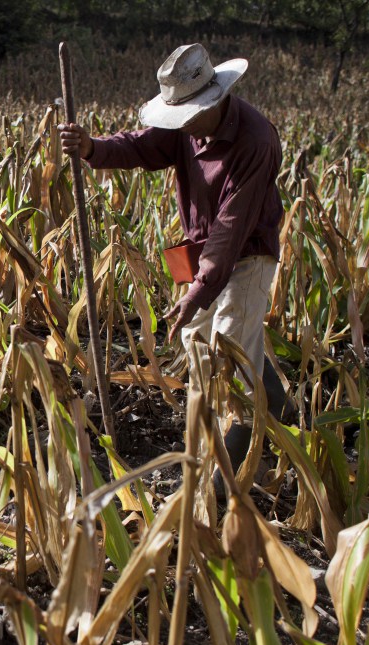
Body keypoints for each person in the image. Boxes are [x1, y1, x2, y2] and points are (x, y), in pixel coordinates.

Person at [58, 43, 291, 494]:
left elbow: (231, 229)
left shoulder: (255, 141)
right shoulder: (188, 126)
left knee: (230, 346)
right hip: (202, 251)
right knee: (198, 340)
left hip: (247, 253)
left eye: (187, 115)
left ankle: (232, 464)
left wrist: (198, 290)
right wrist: (92, 148)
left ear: (215, 99)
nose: (181, 124)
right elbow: (143, 146)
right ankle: (278, 407)